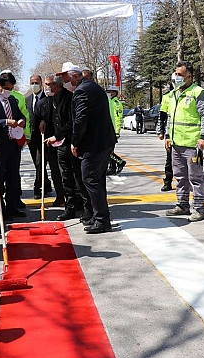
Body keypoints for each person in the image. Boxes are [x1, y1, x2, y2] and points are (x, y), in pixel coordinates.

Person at [59, 62, 116, 233]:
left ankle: (101, 220)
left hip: (94, 144)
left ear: (75, 76)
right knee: (97, 180)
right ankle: (99, 215)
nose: (65, 83)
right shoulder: (92, 87)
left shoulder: (83, 90)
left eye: (66, 78)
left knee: (90, 179)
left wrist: (75, 142)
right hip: (102, 142)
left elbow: (80, 120)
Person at [164, 61, 204, 222]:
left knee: (195, 178)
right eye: (176, 73)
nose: (176, 77)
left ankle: (198, 208)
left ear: (189, 76)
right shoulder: (175, 93)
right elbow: (171, 117)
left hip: (193, 144)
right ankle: (182, 204)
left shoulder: (198, 93)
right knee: (180, 176)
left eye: (179, 75)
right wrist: (167, 136)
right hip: (176, 143)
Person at [43, 74, 91, 221]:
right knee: (66, 177)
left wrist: (57, 136)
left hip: (72, 143)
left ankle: (86, 208)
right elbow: (51, 118)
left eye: (48, 84)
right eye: (45, 84)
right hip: (60, 146)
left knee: (78, 177)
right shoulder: (51, 99)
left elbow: (72, 122)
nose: (46, 87)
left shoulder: (70, 98)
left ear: (57, 85)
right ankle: (69, 207)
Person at [0, 72, 27, 219]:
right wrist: (6, 122)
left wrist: (21, 121)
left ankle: (12, 207)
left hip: (13, 145)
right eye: (7, 88)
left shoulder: (13, 100)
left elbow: (21, 115)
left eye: (11, 88)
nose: (9, 91)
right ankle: (0, 210)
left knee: (13, 178)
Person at [26, 74, 57, 202]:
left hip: (46, 136)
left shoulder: (48, 98)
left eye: (36, 82)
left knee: (41, 163)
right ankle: (46, 184)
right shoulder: (27, 99)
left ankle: (37, 187)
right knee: (38, 164)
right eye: (32, 83)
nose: (34, 85)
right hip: (32, 138)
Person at [157, 81, 175, 192]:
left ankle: (189, 183)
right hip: (171, 134)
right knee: (170, 161)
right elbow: (162, 116)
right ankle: (168, 182)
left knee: (190, 162)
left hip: (188, 136)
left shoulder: (191, 94)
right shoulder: (167, 96)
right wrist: (161, 131)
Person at [106, 85, 127, 175]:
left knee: (108, 151)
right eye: (108, 91)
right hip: (107, 129)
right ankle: (112, 168)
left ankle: (120, 162)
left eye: (111, 92)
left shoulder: (116, 103)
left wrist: (117, 131)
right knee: (109, 151)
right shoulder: (108, 101)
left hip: (113, 130)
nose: (110, 93)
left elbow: (118, 118)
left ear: (115, 93)